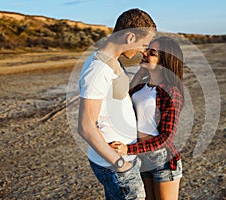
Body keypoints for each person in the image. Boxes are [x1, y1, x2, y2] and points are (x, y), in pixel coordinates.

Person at [78, 8, 156, 199]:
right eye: (143, 44)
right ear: (130, 37)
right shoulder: (97, 70)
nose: (143, 50)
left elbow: (118, 98)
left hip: (124, 159)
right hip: (114, 164)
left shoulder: (112, 61)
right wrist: (121, 165)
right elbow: (85, 127)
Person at [110, 36, 184, 200]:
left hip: (163, 160)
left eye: (152, 53)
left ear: (164, 61)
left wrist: (128, 150)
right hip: (142, 159)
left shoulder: (171, 92)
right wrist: (142, 71)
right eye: (146, 50)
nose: (144, 53)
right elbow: (124, 98)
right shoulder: (141, 87)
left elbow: (167, 137)